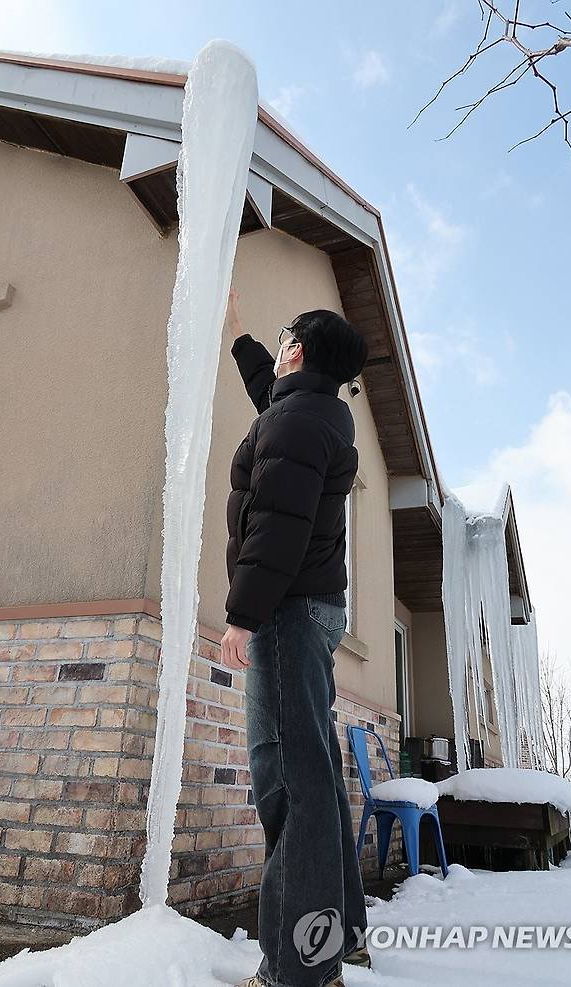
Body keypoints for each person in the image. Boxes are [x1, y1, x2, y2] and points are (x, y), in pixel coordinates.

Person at [220, 287, 372, 987]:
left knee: (288, 781)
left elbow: (277, 527)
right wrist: (239, 333)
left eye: (283, 340)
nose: (277, 351)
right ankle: (340, 937)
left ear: (299, 352)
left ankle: (299, 969)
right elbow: (271, 398)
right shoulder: (314, 415)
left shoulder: (295, 425)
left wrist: (242, 615)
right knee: (314, 774)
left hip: (285, 611)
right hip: (312, 610)